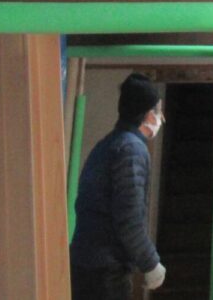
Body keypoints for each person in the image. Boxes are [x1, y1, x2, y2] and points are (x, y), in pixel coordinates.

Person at [70, 73, 167, 299]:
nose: (161, 118)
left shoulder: (109, 144)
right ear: (147, 114)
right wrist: (151, 263)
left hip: (86, 264)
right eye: (158, 111)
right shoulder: (131, 151)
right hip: (105, 273)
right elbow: (129, 218)